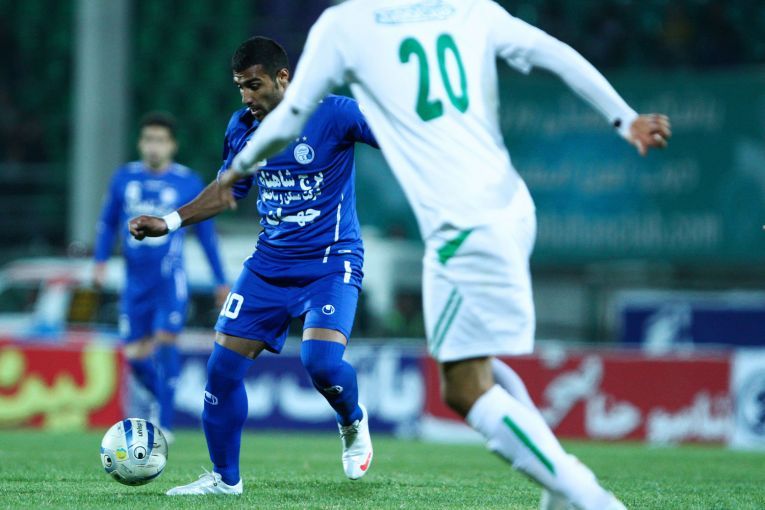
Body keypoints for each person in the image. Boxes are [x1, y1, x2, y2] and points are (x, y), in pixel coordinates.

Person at [216, 2, 672, 509]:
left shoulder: (345, 24)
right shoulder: (470, 9)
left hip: (463, 227)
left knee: (464, 388)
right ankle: (558, 489)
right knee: (475, 364)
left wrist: (239, 167)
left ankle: (588, 496)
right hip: (511, 207)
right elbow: (554, 52)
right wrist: (624, 118)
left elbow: (291, 116)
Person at [128, 36, 379, 495]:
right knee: (221, 371)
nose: (246, 96)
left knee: (321, 363)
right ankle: (226, 480)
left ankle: (351, 420)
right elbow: (229, 190)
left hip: (331, 261)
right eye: (240, 86)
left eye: (254, 85)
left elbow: (397, 136)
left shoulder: (334, 113)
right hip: (268, 266)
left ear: (283, 78)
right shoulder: (243, 126)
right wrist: (169, 222)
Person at [94, 112, 228, 440]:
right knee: (135, 356)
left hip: (169, 281)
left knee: (166, 342)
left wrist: (220, 279)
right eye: (149, 139)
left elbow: (207, 236)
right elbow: (108, 222)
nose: (154, 146)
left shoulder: (187, 182)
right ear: (141, 143)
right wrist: (99, 261)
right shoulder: (124, 178)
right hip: (134, 282)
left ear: (172, 145)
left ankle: (165, 424)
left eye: (161, 140)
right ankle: (163, 401)